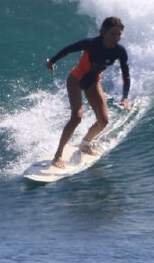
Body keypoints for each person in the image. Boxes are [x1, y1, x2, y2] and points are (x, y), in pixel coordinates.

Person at [46, 16, 131, 169]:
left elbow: (126, 75)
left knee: (103, 120)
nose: (116, 38)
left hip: (93, 82)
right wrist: (52, 61)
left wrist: (124, 97)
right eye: (113, 34)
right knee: (77, 117)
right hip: (76, 79)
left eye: (119, 35)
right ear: (104, 31)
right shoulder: (92, 44)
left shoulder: (119, 51)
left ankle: (85, 144)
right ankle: (57, 155)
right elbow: (69, 49)